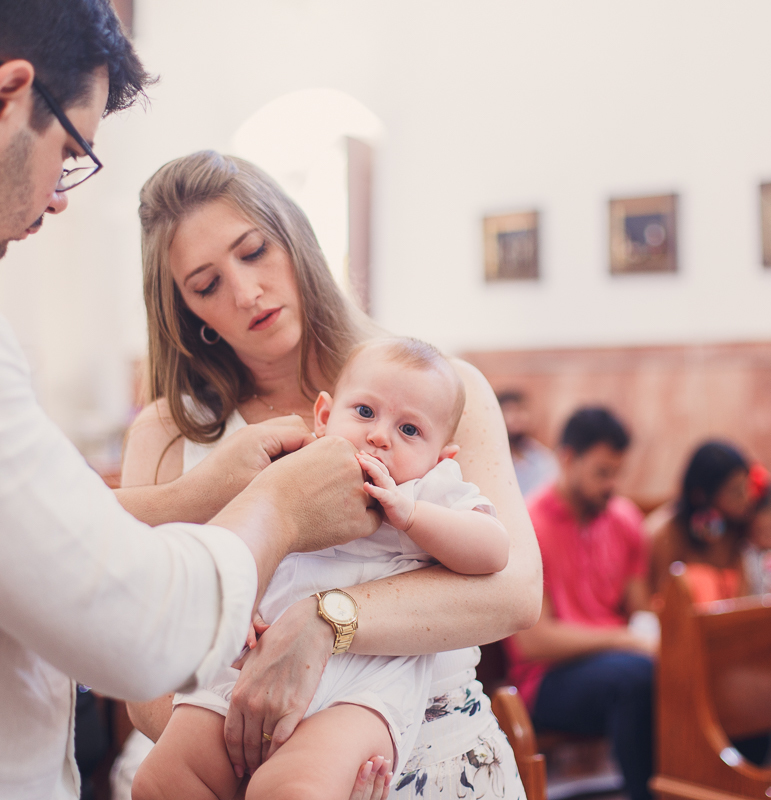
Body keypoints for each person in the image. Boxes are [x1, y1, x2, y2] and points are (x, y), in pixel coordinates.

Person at [0, 3, 385, 797]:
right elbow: (138, 631)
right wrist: (280, 510)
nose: (60, 198)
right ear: (2, 98)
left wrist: (193, 498)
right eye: (69, 152)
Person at [120, 151, 541, 800]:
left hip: (432, 756)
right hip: (235, 762)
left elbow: (513, 593)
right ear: (187, 312)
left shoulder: (437, 394)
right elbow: (141, 675)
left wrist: (326, 620)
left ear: (295, 239)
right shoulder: (168, 432)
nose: (245, 292)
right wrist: (259, 766)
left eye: (254, 251)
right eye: (206, 285)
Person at [135, 338, 510, 800]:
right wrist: (241, 600)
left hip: (361, 689)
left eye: (410, 430)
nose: (380, 436)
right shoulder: (292, 466)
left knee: (291, 789)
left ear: (441, 457)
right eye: (365, 412)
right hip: (252, 668)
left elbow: (494, 551)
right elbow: (243, 539)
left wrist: (412, 515)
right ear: (325, 414)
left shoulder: (429, 489)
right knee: (161, 780)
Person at [506, 407, 655, 800]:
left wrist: (651, 634)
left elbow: (639, 610)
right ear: (568, 459)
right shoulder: (529, 525)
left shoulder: (624, 519)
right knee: (637, 677)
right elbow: (533, 642)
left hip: (617, 663)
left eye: (617, 473)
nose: (612, 485)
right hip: (546, 679)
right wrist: (625, 639)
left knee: (681, 669)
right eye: (602, 472)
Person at [648, 441, 759, 603]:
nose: (746, 499)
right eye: (735, 492)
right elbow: (660, 600)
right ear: (701, 495)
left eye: (746, 487)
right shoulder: (667, 533)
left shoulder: (743, 527)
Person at [497, 390, 558, 497]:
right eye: (509, 411)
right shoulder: (493, 459)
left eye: (521, 410)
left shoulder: (543, 459)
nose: (517, 417)